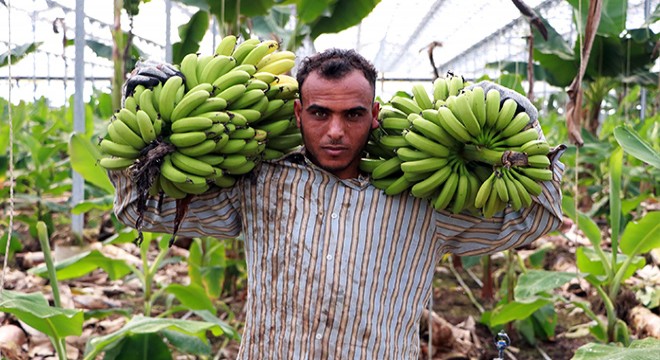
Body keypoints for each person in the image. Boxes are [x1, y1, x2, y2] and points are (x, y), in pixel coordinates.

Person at [111, 48, 565, 359]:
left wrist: (524, 124)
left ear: (376, 115)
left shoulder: (421, 203)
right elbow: (141, 209)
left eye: (353, 115)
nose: (334, 132)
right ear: (297, 114)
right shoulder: (260, 186)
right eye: (319, 113)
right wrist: (141, 111)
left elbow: (535, 217)